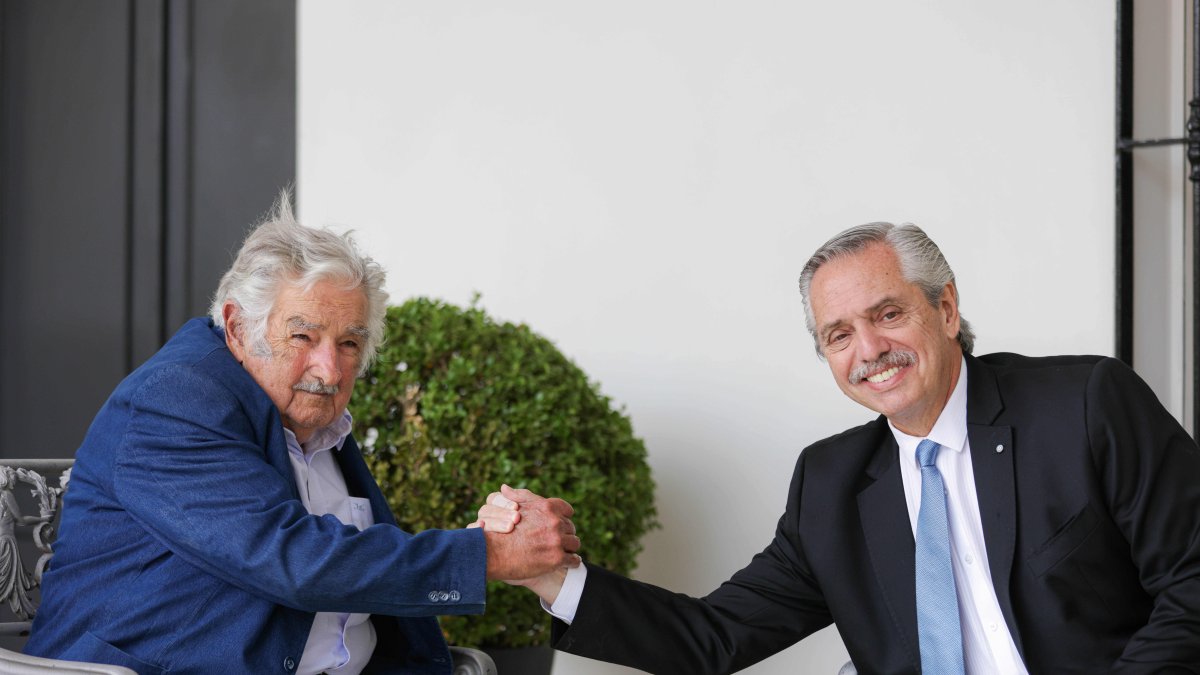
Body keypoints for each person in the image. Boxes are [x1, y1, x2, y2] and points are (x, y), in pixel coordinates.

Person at [487, 222, 1200, 673]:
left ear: (945, 309)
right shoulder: (831, 485)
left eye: (888, 313)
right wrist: (554, 576)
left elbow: (1192, 582)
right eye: (838, 334)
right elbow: (712, 636)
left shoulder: (1083, 405)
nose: (870, 350)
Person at [25, 192, 579, 675]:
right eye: (303, 335)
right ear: (238, 327)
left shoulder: (308, 418)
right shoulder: (177, 399)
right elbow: (292, 559)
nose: (331, 370)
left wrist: (495, 535)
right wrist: (486, 555)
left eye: (349, 344)